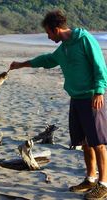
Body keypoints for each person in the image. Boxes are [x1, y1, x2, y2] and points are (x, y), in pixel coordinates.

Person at [8, 10, 107, 200]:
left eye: (48, 33)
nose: (48, 36)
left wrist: (100, 91)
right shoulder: (63, 48)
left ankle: (103, 184)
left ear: (56, 29)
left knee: (98, 143)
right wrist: (22, 64)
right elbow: (48, 60)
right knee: (85, 142)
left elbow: (100, 66)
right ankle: (90, 178)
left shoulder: (84, 39)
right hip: (76, 99)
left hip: (92, 97)